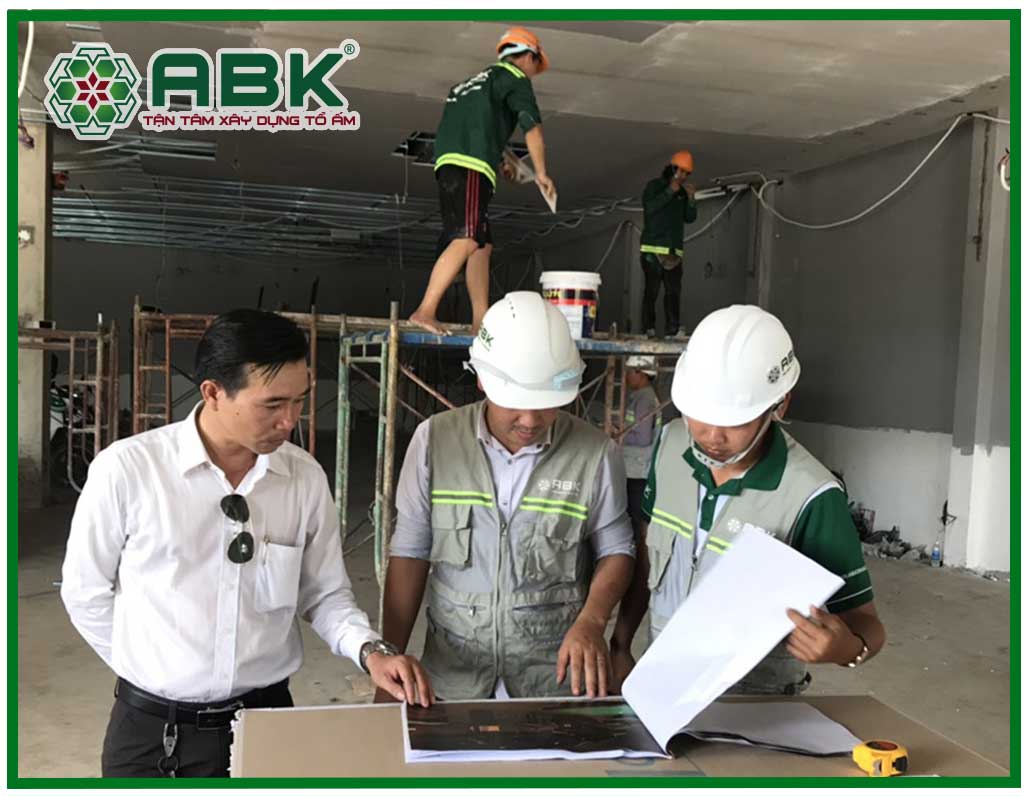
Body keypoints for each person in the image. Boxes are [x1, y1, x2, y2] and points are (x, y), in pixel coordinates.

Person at [61, 309, 434, 778]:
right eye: (272, 404)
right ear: (213, 393)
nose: (290, 421)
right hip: (152, 735)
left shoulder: (303, 478)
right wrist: (152, 669)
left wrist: (369, 650)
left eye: (299, 401)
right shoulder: (130, 471)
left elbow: (324, 594)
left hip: (268, 723)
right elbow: (85, 593)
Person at [611, 305, 886, 695]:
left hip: (756, 706)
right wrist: (620, 645)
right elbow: (646, 555)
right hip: (663, 690)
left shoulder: (812, 497)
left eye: (735, 421)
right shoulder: (670, 445)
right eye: (700, 415)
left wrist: (846, 649)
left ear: (780, 404)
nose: (712, 436)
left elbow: (867, 624)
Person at [383, 291, 635, 701]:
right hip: (454, 680)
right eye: (515, 403)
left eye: (546, 405)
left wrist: (592, 621)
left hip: (553, 682)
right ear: (482, 379)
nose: (530, 420)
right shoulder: (435, 441)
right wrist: (389, 657)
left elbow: (617, 550)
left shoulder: (595, 453)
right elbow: (410, 554)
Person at [409, 27, 556, 336]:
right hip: (471, 166)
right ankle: (425, 310)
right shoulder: (515, 79)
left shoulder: (468, 85)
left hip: (452, 163)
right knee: (466, 239)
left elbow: (476, 127)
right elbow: (532, 128)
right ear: (528, 56)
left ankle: (481, 321)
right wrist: (541, 173)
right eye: (536, 64)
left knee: (481, 244)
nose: (534, 72)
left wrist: (502, 160)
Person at [639, 150, 697, 339]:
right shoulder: (654, 186)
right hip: (652, 250)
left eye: (687, 173)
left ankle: (672, 329)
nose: (683, 176)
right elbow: (650, 208)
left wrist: (691, 199)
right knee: (652, 291)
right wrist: (669, 191)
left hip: (674, 252)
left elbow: (690, 218)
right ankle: (648, 328)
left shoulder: (682, 193)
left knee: (673, 292)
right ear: (672, 168)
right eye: (681, 171)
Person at [621, 355, 661, 531]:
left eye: (630, 372)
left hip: (637, 467)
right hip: (638, 465)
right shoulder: (643, 396)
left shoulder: (644, 399)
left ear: (642, 374)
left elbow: (643, 438)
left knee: (635, 516)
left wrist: (619, 435)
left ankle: (638, 548)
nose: (627, 376)